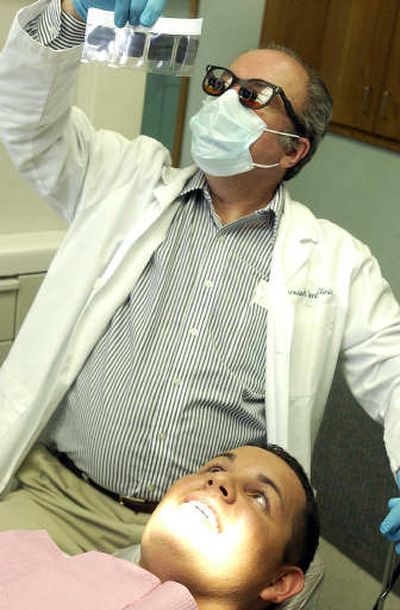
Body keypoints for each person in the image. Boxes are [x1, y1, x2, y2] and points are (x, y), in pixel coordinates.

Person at [0, 0, 399, 562]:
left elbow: (393, 364)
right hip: (55, 497)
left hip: (204, 535)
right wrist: (68, 12)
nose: (226, 101)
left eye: (256, 95)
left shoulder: (335, 261)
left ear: (293, 149)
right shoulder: (124, 181)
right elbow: (29, 125)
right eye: (223, 83)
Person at [0, 445, 319, 610]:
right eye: (215, 468)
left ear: (280, 583)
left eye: (260, 498)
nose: (218, 481)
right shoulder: (27, 560)